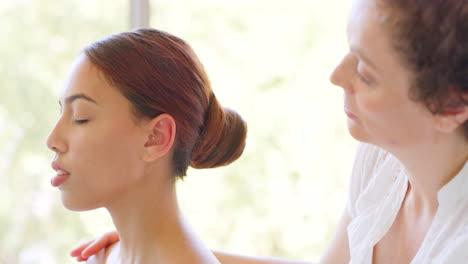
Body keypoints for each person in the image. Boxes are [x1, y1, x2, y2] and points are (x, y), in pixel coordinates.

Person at [70, 0, 468, 262]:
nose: (336, 76)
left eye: (365, 72)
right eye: (350, 49)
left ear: (452, 105)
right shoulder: (385, 159)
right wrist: (162, 250)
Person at [47, 28, 248, 264]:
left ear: (156, 137)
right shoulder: (103, 256)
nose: (53, 140)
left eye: (81, 117)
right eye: (62, 112)